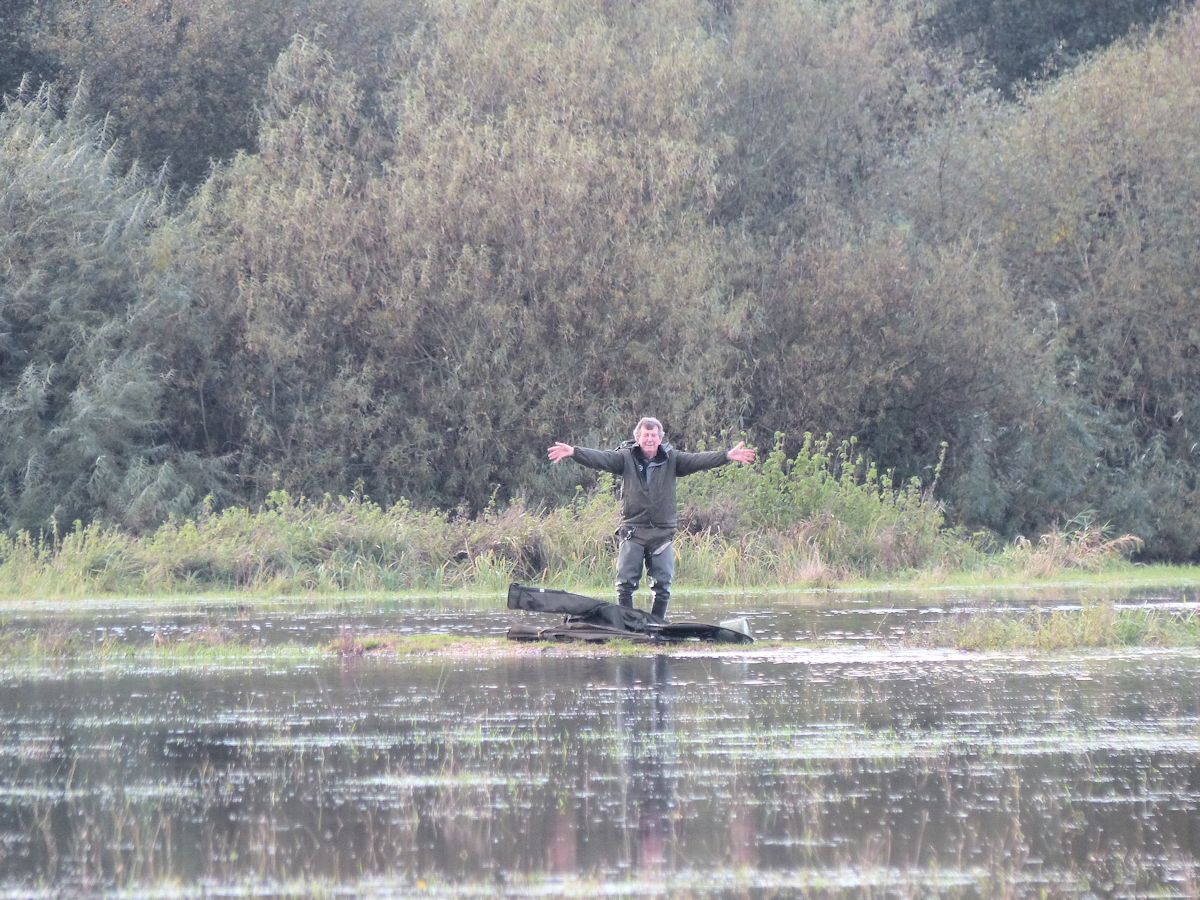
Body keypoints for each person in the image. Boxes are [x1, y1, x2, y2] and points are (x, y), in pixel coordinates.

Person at [547, 416, 756, 620]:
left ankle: (657, 624)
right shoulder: (625, 457)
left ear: (660, 438)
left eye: (653, 435)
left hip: (661, 533)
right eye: (646, 435)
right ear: (638, 438)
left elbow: (698, 460)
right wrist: (574, 452)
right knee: (625, 583)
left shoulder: (672, 458)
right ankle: (626, 623)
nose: (649, 439)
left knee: (663, 584)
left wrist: (726, 455)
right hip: (633, 530)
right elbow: (601, 458)